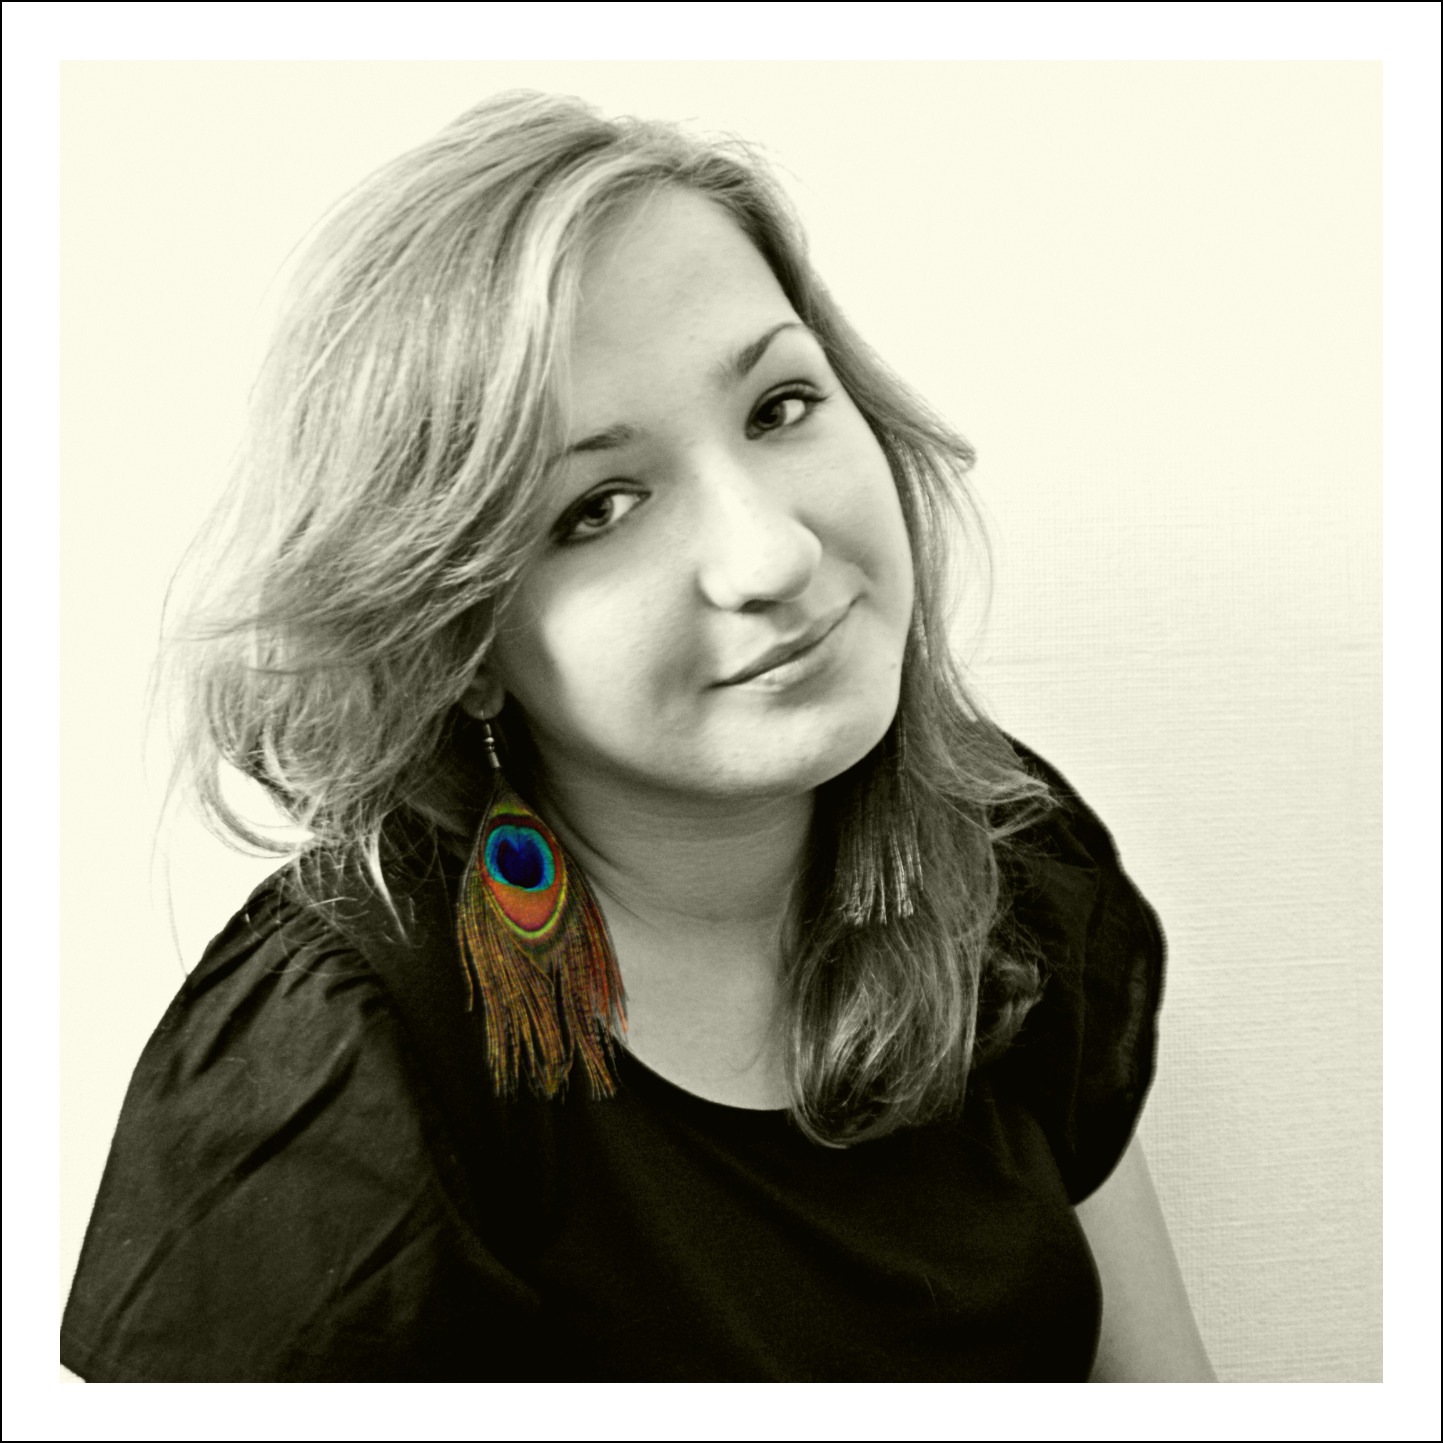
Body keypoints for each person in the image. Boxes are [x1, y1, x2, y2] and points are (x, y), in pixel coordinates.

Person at [60, 90, 1214, 1382]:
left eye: (780, 407)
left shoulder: (1006, 857)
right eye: (599, 507)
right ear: (461, 646)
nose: (770, 555)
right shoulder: (348, 1064)